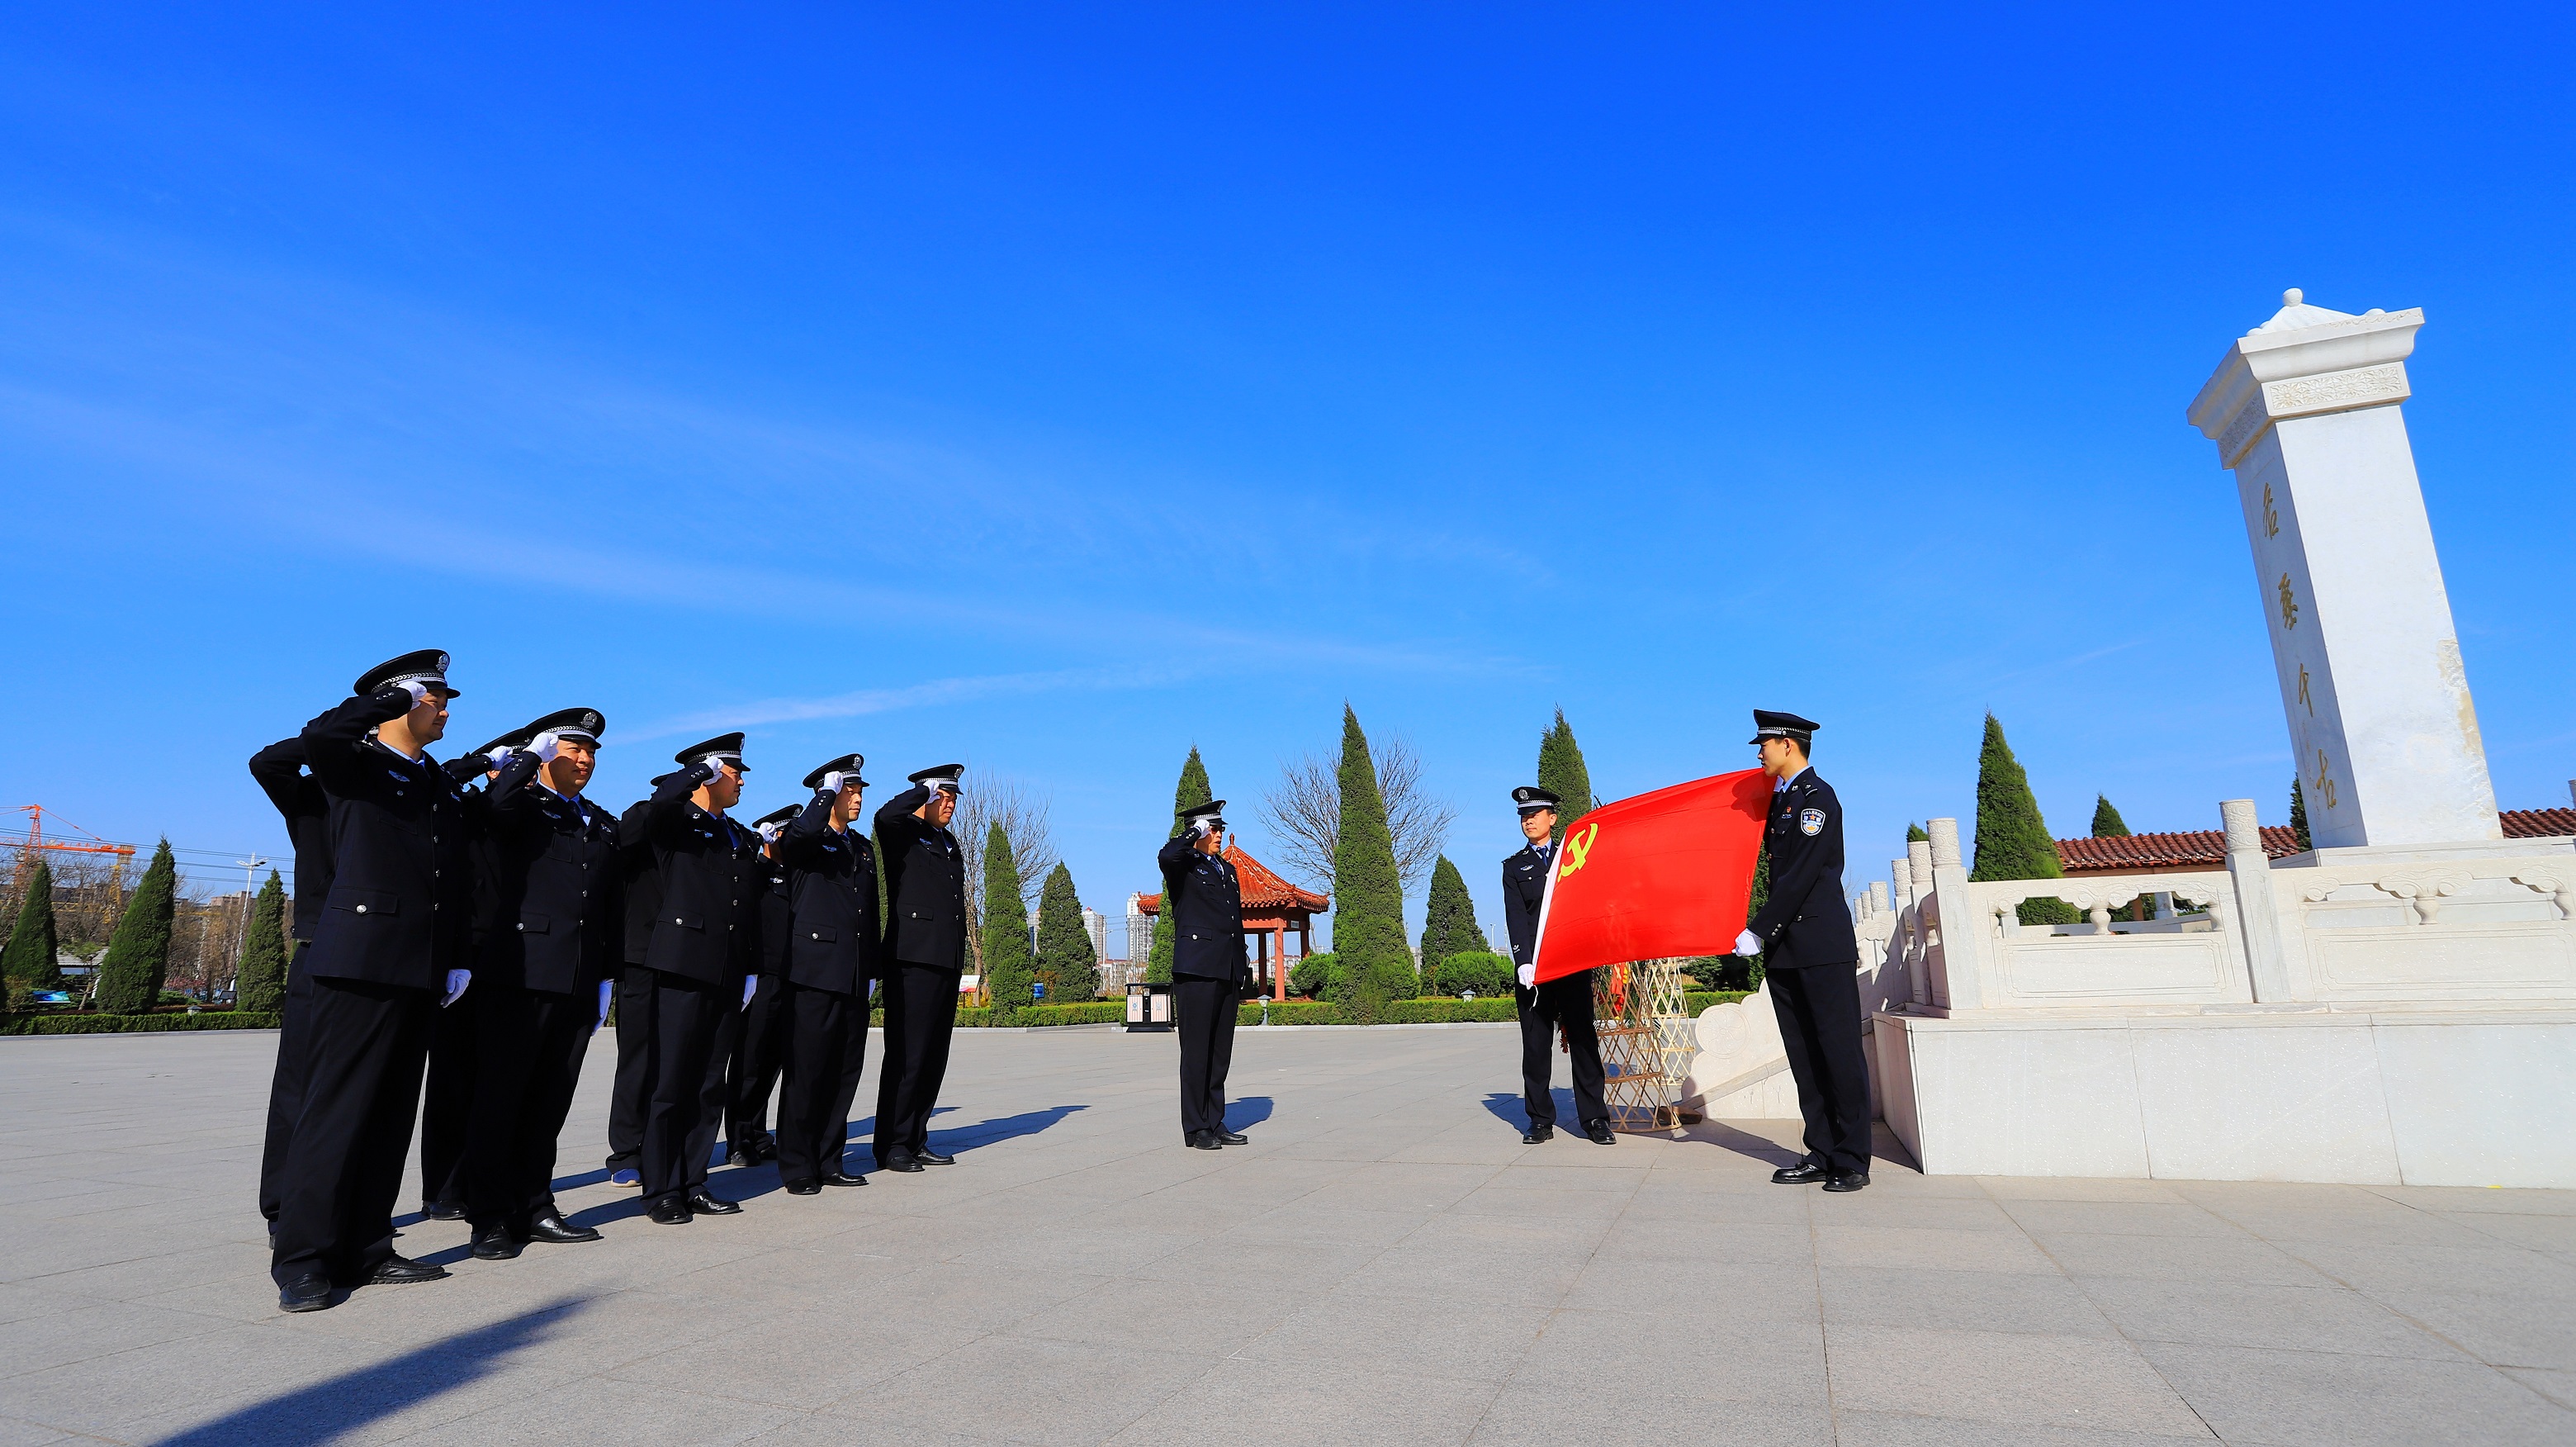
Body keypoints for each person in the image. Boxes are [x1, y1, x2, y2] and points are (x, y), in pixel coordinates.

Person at [270, 651, 476, 1312]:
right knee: (335, 1114)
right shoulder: (352, 763)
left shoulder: (434, 780)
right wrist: (379, 702)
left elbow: (451, 877)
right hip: (356, 959)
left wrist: (456, 953)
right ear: (404, 701)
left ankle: (367, 1246)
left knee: (389, 1115)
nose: (446, 709)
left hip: (417, 964)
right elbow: (313, 740)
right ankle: (302, 1259)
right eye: (435, 697)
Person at [462, 709, 619, 1259]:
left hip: (576, 977)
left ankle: (534, 1204)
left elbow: (607, 904)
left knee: (549, 1101)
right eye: (572, 749)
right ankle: (487, 1217)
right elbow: (491, 809)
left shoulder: (598, 821)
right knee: (500, 1099)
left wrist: (606, 975)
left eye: (591, 752)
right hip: (519, 972)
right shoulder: (519, 804)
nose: (584, 759)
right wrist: (529, 758)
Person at [1733, 709, 1869, 1192]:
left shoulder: (1818, 799)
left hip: (1820, 942)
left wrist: (1760, 927)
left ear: (1788, 744)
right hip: (1788, 948)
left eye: (1765, 743)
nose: (1759, 751)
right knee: (1805, 1056)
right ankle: (1823, 1150)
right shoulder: (1780, 802)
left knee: (1838, 1051)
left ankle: (1852, 1159)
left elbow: (1805, 873)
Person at [633, 733, 765, 1224]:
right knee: (672, 1083)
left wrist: (751, 966)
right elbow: (656, 805)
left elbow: (746, 908)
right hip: (683, 964)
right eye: (734, 771)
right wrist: (696, 773)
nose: (742, 779)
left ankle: (693, 1179)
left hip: (727, 969)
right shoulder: (676, 822)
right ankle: (661, 1188)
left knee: (710, 1082)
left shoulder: (737, 834)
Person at [772, 754, 878, 1193]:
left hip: (853, 974)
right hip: (814, 973)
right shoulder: (806, 839)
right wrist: (823, 795)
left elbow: (869, 913)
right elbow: (795, 840)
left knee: (843, 1070)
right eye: (848, 791)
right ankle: (797, 1164)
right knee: (807, 1071)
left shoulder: (861, 847)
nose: (856, 799)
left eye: (858, 792)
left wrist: (871, 967)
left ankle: (830, 1158)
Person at [246, 735, 331, 1246]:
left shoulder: (392, 794)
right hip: (320, 949)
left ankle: (346, 1206)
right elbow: (267, 763)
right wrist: (335, 734)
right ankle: (282, 1208)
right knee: (298, 1089)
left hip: (380, 958)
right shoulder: (313, 794)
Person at [416, 737, 505, 1220]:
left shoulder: (522, 814)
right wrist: (483, 765)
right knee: (453, 1078)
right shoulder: (465, 805)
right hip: (465, 958)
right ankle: (444, 1188)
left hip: (506, 961)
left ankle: (477, 1179)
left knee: (492, 1079)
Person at [1501, 786, 1612, 1146]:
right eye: (1523, 815)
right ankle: (1539, 1120)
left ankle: (1595, 1118)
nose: (1528, 820)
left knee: (1583, 1041)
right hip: (1534, 970)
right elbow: (1516, 917)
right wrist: (1522, 961)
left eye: (1535, 814)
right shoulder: (1514, 867)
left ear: (1553, 818)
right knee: (1535, 1047)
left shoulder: (1573, 857)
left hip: (1571, 964)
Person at [872, 764, 968, 1172]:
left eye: (952, 798)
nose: (948, 805)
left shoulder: (948, 843)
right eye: (940, 797)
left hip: (944, 959)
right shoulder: (903, 834)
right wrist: (920, 793)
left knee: (932, 1055)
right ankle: (892, 1143)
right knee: (907, 1054)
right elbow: (883, 817)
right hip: (911, 959)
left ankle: (916, 1136)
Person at [1158, 799, 1248, 1149]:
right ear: (1196, 832)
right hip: (1196, 970)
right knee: (1196, 1052)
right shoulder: (1184, 866)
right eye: (1212, 829)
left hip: (1225, 968)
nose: (1218, 834)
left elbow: (1233, 923)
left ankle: (1215, 1119)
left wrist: (1240, 966)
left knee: (1219, 1052)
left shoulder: (1226, 870)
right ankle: (1196, 1128)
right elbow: (1167, 856)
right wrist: (1194, 831)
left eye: (1220, 828)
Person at [725, 805, 798, 1167]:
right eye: (787, 835)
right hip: (760, 977)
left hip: (790, 976)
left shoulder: (797, 876)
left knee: (774, 1060)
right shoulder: (757, 871)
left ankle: (758, 1132)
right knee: (749, 1060)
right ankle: (737, 1138)